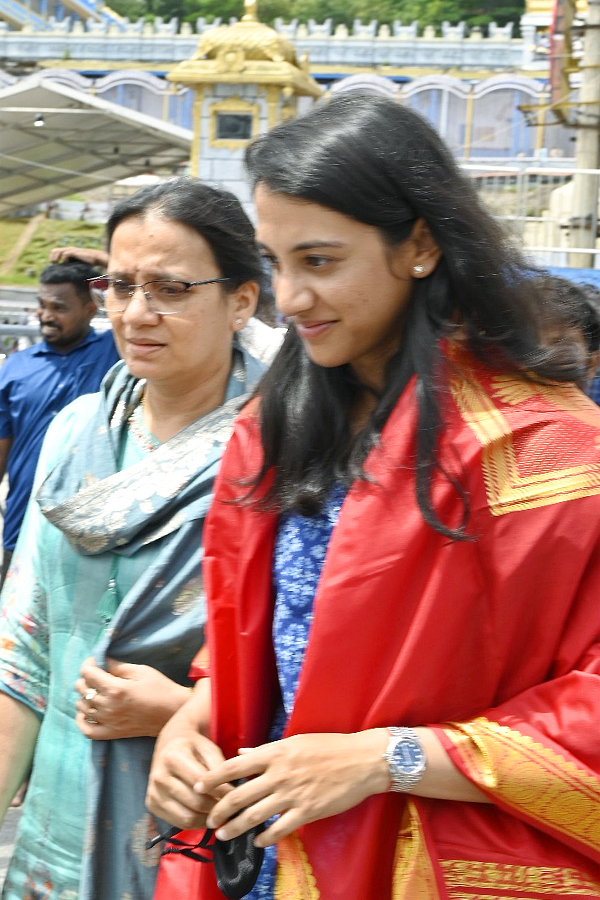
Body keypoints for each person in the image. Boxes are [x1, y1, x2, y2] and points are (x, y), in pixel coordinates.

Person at [147, 95, 600, 900]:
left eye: (319, 262)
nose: (288, 299)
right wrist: (198, 716)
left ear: (420, 245)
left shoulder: (547, 451)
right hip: (259, 854)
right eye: (274, 262)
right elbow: (264, 632)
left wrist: (386, 759)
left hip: (420, 864)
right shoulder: (274, 424)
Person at [0, 178, 281, 900]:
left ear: (241, 301)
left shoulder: (283, 454)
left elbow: (318, 667)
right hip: (54, 823)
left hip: (197, 824)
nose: (136, 313)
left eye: (171, 288)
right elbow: (24, 646)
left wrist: (186, 707)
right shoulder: (77, 431)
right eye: (120, 285)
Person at [0, 260, 119, 586]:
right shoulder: (14, 369)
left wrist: (96, 261)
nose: (46, 315)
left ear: (90, 309)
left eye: (59, 307)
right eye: (41, 305)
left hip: (93, 530)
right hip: (21, 529)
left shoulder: (116, 352)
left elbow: (137, 283)